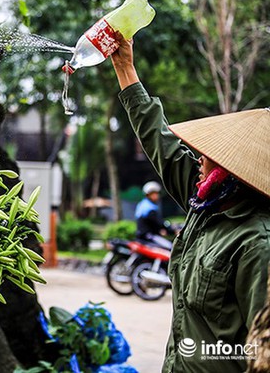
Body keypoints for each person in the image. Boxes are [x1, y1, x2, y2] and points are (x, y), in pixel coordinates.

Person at [109, 34, 270, 372]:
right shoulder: (205, 206)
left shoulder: (257, 243)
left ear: (231, 171)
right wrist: (125, 67)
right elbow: (160, 141)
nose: (198, 161)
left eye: (208, 157)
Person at [135, 181, 173, 250]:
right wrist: (170, 229)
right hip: (149, 236)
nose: (156, 196)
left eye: (157, 193)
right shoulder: (149, 208)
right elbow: (159, 222)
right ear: (148, 195)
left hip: (142, 236)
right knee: (170, 247)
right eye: (153, 194)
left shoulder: (142, 204)